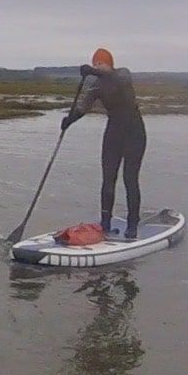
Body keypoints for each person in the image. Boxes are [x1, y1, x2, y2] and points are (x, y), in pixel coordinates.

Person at [61, 48, 146, 239]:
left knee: (130, 179)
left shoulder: (123, 74)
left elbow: (116, 79)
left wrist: (93, 72)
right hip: (113, 132)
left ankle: (133, 225)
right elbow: (83, 106)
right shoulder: (96, 86)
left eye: (101, 63)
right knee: (108, 180)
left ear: (110, 63)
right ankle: (105, 224)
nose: (97, 66)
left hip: (134, 133)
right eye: (95, 63)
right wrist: (70, 119)